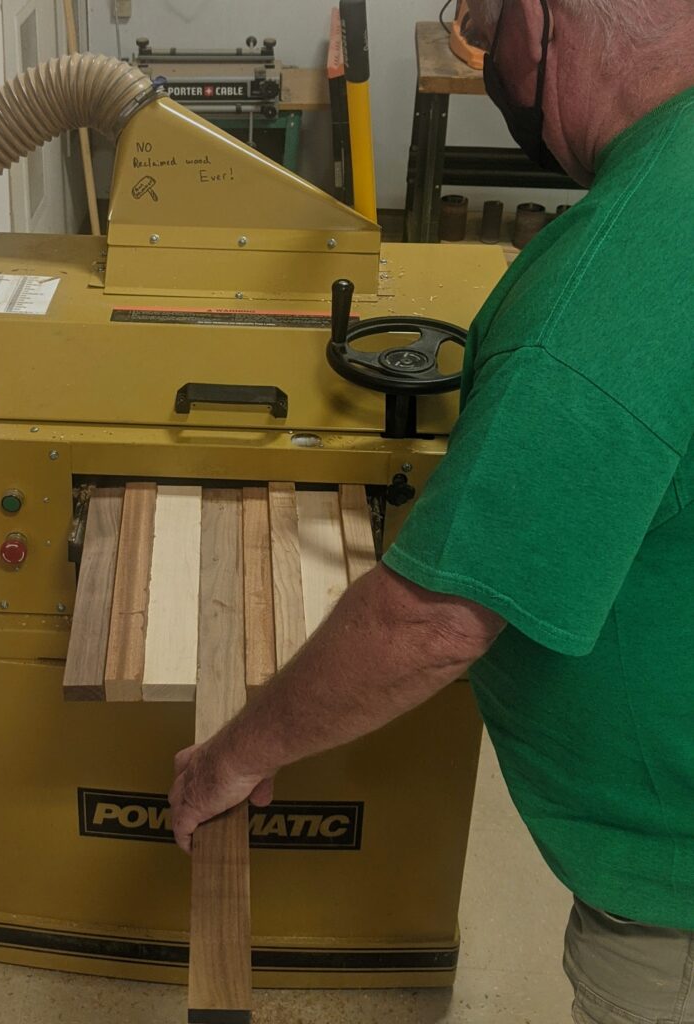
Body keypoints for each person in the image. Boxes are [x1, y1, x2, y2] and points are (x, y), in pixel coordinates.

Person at [167, 1, 694, 1020]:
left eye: (484, 32)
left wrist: (234, 753)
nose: (488, 64)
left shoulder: (611, 281)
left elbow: (434, 619)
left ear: (541, 22)